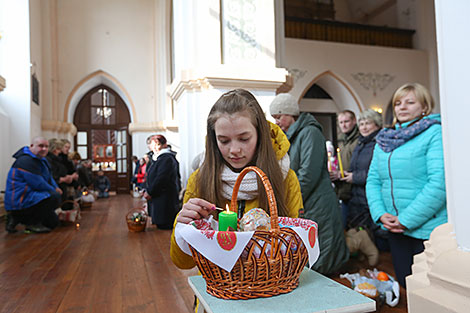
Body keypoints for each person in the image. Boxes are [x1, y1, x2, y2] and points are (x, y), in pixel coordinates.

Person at [170, 89, 303, 270]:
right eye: (224, 141)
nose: (234, 150)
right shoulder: (200, 179)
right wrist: (183, 226)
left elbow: (295, 252)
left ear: (260, 134)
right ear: (213, 140)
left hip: (269, 291)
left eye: (244, 138)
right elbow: (183, 262)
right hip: (218, 291)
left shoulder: (285, 178)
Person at [366, 83, 447, 288]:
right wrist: (380, 213)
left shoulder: (433, 133)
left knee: (429, 289)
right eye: (398, 103)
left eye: (410, 102)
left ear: (424, 107)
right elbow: (373, 181)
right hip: (394, 227)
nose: (402, 107)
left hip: (426, 228)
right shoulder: (384, 139)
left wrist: (405, 219)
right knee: (405, 282)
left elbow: (439, 183)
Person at [270, 93, 349, 275]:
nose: (277, 122)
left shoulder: (310, 132)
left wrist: (291, 198)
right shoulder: (293, 135)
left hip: (318, 200)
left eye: (279, 117)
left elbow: (308, 173)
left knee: (324, 247)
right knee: (313, 247)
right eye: (274, 118)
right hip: (307, 199)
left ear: (290, 114)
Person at [340, 109, 384, 266]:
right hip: (357, 193)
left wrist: (355, 177)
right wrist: (347, 174)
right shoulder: (361, 143)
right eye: (362, 124)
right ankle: (367, 261)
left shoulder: (379, 142)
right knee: (361, 227)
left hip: (371, 194)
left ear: (377, 125)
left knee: (375, 230)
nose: (364, 127)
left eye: (368, 123)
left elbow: (379, 171)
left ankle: (378, 263)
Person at [4, 136, 61, 233]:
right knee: (54, 196)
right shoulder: (25, 161)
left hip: (32, 195)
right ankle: (30, 222)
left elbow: (49, 177)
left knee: (53, 223)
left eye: (46, 147)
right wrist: (54, 190)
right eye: (41, 146)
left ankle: (18, 218)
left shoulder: (41, 159)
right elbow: (38, 184)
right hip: (20, 199)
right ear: (31, 146)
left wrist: (56, 187)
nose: (44, 149)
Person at [144, 135, 181, 229]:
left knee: (164, 227)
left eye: (151, 144)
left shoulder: (166, 159)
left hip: (165, 198)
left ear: (157, 144)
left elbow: (161, 179)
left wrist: (150, 191)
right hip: (159, 197)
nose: (150, 147)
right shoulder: (160, 158)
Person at [331, 110, 360, 228]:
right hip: (343, 189)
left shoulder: (360, 139)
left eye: (346, 121)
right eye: (341, 122)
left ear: (354, 121)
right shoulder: (340, 140)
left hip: (356, 188)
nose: (343, 125)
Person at [46, 139, 78, 209]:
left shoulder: (58, 159)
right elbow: (52, 176)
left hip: (62, 188)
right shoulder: (50, 160)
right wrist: (65, 178)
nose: (59, 151)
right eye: (58, 149)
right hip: (56, 188)